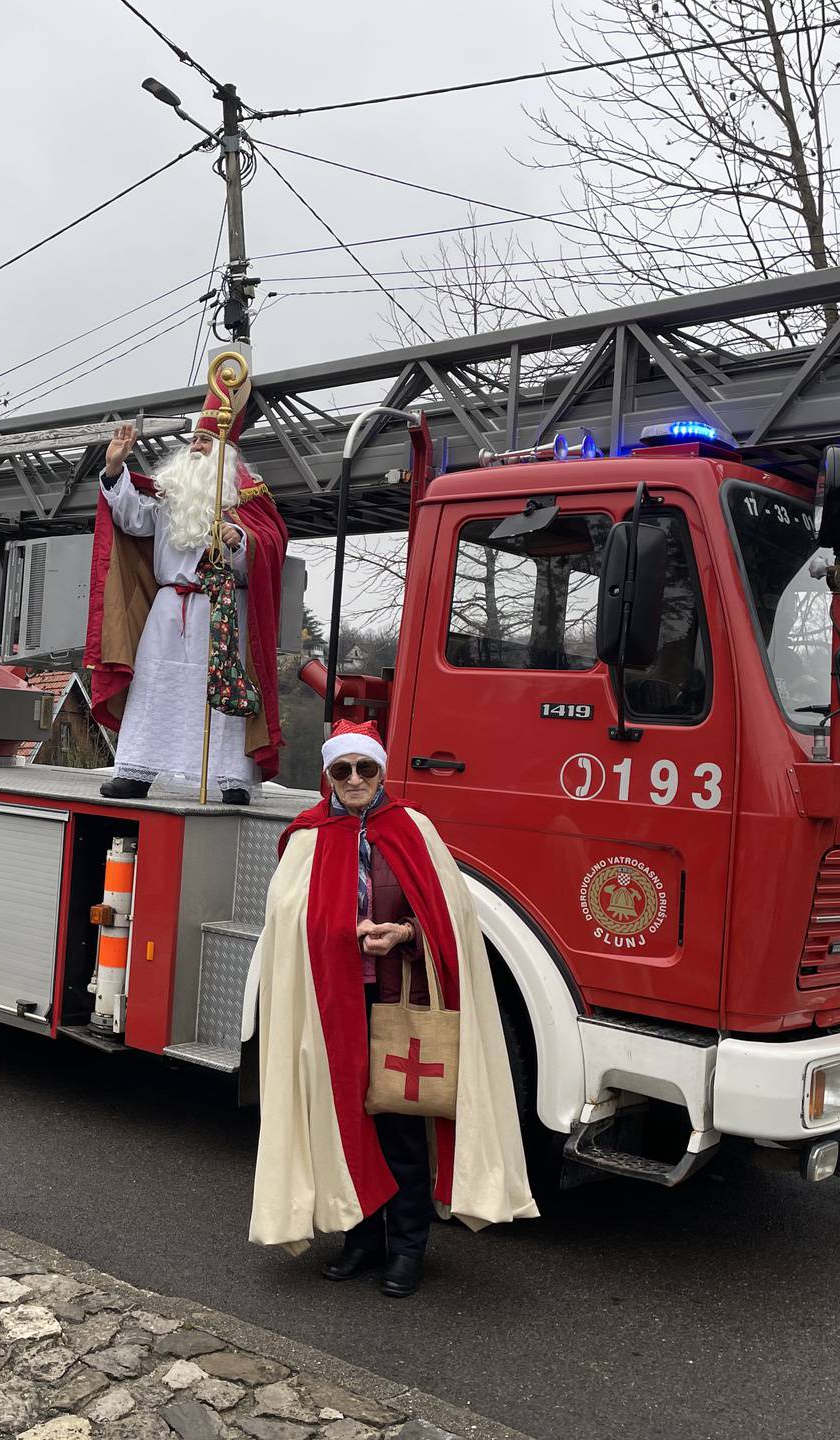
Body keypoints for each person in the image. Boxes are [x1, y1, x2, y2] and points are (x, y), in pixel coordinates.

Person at [249, 719, 536, 1298]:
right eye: (342, 770)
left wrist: (402, 932)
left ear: (381, 771)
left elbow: (450, 920)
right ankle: (361, 1240)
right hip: (333, 1005)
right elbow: (284, 924)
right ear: (327, 776)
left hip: (397, 1000)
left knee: (401, 1129)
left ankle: (407, 1249)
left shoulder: (413, 829)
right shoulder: (307, 835)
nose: (354, 779)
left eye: (366, 768)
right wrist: (340, 930)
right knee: (346, 1124)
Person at [83, 377, 287, 803]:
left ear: (225, 453)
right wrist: (114, 470)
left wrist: (240, 542)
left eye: (205, 440)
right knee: (155, 686)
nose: (194, 446)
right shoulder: (171, 498)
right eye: (193, 439)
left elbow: (271, 548)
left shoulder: (248, 498)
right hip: (168, 610)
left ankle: (231, 778)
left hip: (222, 609)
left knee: (223, 687)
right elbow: (131, 519)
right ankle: (136, 771)